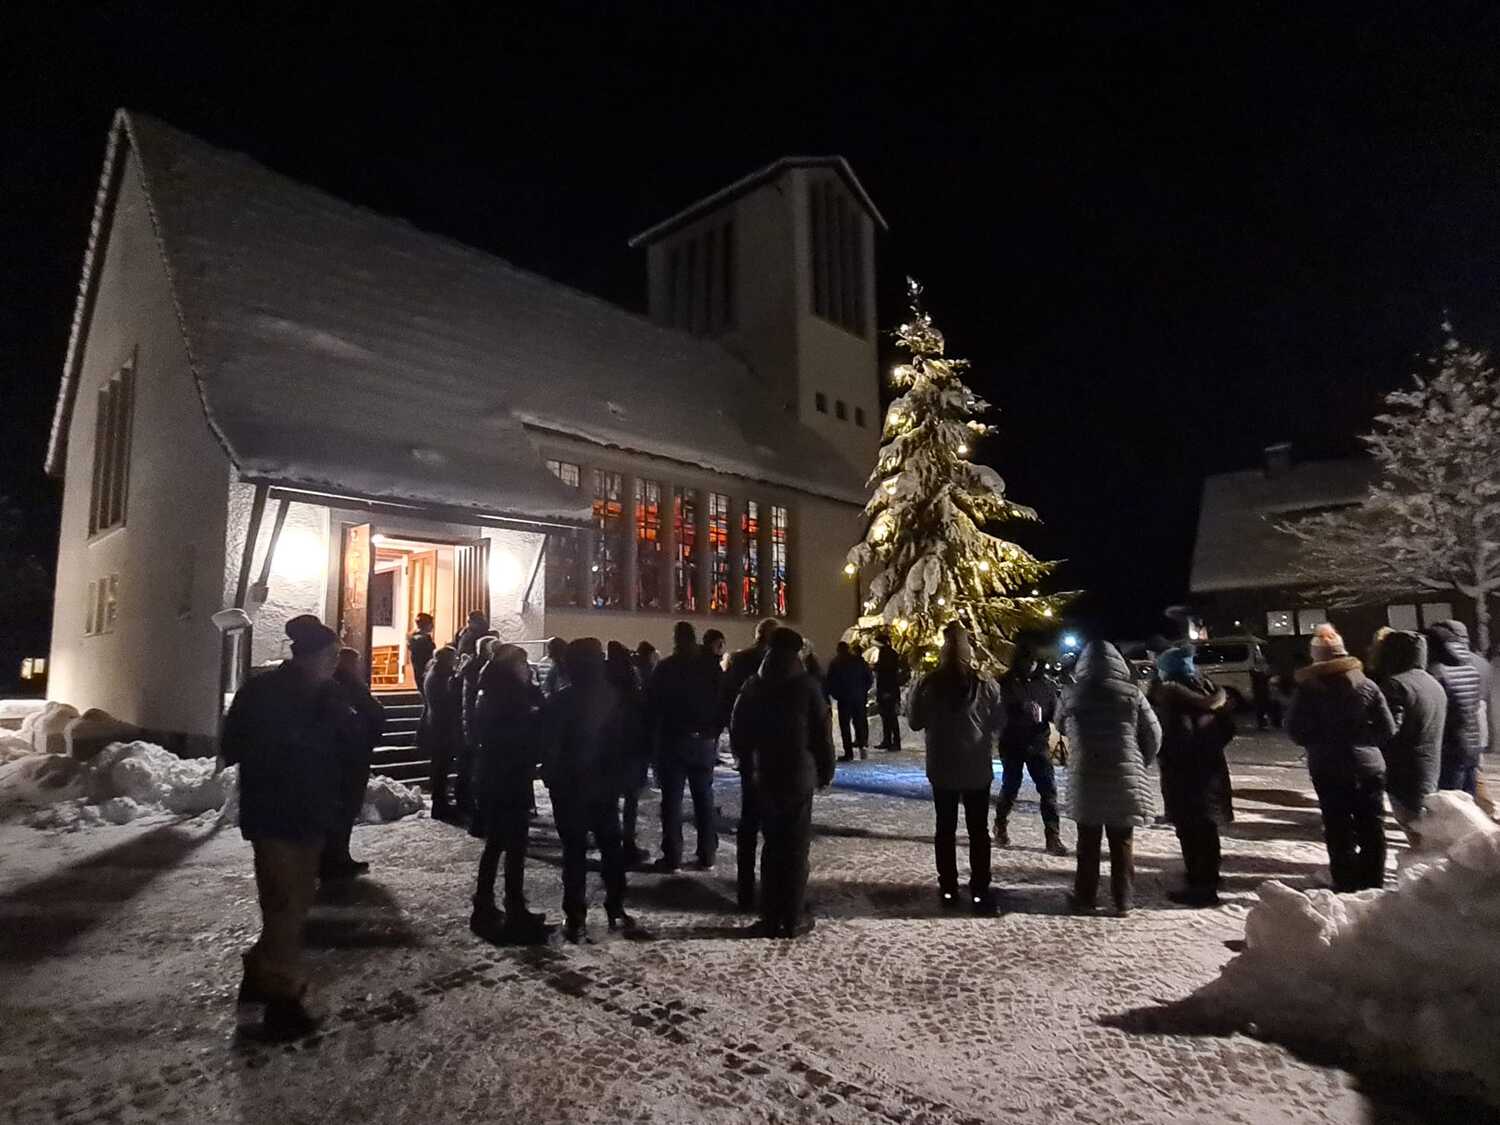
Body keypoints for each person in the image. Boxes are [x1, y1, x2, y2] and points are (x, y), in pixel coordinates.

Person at [222, 615, 345, 1038]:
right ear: (310, 655)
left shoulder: (328, 693)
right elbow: (234, 744)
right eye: (331, 654)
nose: (336, 662)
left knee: (295, 904)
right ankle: (282, 1001)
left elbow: (353, 735)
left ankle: (260, 975)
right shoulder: (263, 692)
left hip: (309, 811)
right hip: (275, 811)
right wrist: (289, 747)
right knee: (283, 904)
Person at [730, 627, 835, 936]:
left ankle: (770, 914)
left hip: (765, 774)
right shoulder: (806, 686)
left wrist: (746, 761)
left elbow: (738, 728)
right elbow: (822, 733)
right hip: (797, 774)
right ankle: (791, 916)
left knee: (772, 846)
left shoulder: (754, 685)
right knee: (795, 847)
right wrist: (825, 770)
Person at [1287, 624, 1396, 892]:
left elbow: (1294, 729)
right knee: (1372, 825)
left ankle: (1345, 880)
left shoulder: (1308, 689)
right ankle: (1372, 881)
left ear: (1317, 656)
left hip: (1328, 766)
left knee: (1338, 826)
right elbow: (1387, 728)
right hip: (1369, 766)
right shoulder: (1367, 684)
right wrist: (1363, 740)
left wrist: (1318, 741)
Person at [909, 623, 1004, 913]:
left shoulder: (929, 684)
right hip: (976, 768)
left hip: (942, 767)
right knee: (978, 831)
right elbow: (999, 722)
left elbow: (914, 721)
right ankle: (980, 889)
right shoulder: (985, 684)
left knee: (945, 829)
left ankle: (948, 888)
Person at [1061, 641, 1162, 916]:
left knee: (1088, 842)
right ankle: (1123, 900)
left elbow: (1060, 725)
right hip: (1123, 775)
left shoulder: (1072, 694)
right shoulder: (1132, 694)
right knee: (1122, 842)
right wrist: (1139, 760)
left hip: (1087, 776)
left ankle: (1085, 897)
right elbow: (1154, 734)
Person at [542, 638, 632, 943]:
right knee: (610, 848)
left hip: (572, 787)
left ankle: (576, 916)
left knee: (575, 853)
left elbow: (550, 747)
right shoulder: (614, 696)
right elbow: (624, 743)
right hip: (603, 786)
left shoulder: (560, 700)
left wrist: (552, 778)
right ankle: (615, 906)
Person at [470, 644, 550, 944]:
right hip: (507, 778)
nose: (527, 669)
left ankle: (487, 902)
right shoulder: (507, 699)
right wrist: (534, 706)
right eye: (523, 664)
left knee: (498, 843)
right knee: (512, 845)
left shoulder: (493, 692)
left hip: (497, 777)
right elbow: (523, 734)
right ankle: (513, 908)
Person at [1150, 645, 1234, 906]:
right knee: (1207, 828)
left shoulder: (1173, 700)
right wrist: (1210, 747)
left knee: (1191, 829)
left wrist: (1166, 754)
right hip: (1212, 769)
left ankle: (1201, 886)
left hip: (1185, 775)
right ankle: (1208, 877)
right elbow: (1229, 729)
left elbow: (1175, 739)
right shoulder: (1209, 692)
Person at [645, 621, 723, 871]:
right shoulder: (710, 667)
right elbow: (723, 699)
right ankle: (707, 853)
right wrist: (714, 730)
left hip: (674, 739)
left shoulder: (666, 667)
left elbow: (652, 703)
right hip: (704, 740)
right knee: (704, 798)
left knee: (672, 800)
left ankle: (673, 855)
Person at [722, 619, 779, 904]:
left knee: (749, 822)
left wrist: (739, 750)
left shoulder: (741, 663)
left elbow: (733, 709)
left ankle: (745, 888)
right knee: (777, 829)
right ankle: (774, 893)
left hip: (752, 755)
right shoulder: (795, 675)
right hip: (781, 758)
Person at [1372, 629, 1446, 846]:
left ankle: (1425, 865)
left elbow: (1388, 728)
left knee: (1416, 831)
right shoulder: (1433, 683)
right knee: (1423, 827)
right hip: (1429, 765)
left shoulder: (1396, 685)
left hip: (1403, 770)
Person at [994, 650, 1067, 856]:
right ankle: (1000, 825)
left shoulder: (1045, 685)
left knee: (1048, 790)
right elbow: (997, 711)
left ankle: (1052, 836)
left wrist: (1054, 717)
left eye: (1034, 661)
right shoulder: (1005, 683)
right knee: (1010, 787)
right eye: (1027, 660)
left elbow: (1054, 713)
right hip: (1012, 743)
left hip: (1038, 744)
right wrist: (1019, 709)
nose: (1031, 665)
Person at [321, 647, 385, 879]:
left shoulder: (342, 684)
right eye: (355, 662)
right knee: (344, 809)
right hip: (349, 755)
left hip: (352, 753)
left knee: (345, 809)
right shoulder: (344, 685)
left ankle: (337, 856)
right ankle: (334, 859)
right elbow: (364, 711)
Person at [1426, 620, 1488, 796]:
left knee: (1451, 798)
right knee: (1469, 797)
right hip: (1473, 741)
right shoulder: (1470, 669)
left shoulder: (1437, 673)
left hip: (1450, 745)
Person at [606, 640, 652, 866]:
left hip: (610, 749)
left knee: (610, 799)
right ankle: (628, 843)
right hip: (632, 749)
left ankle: (611, 842)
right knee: (631, 800)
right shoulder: (634, 687)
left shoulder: (604, 685)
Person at [458, 634, 498, 825]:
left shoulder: (477, 666)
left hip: (475, 723)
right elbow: (477, 700)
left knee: (473, 769)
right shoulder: (481, 669)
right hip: (477, 725)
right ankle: (475, 813)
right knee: (475, 771)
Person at [421, 646, 464, 821]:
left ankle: (440, 803)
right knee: (441, 768)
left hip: (437, 726)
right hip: (441, 727)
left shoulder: (434, 674)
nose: (456, 660)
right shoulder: (440, 677)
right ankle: (440, 805)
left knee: (440, 768)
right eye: (454, 658)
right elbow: (449, 699)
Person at [825, 641, 875, 761]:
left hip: (844, 698)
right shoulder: (859, 661)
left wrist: (836, 695)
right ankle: (862, 747)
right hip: (858, 698)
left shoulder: (836, 663)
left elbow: (830, 681)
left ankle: (848, 753)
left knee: (845, 725)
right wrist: (863, 691)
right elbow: (869, 678)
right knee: (859, 722)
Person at [873, 632, 909, 751]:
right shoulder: (890, 653)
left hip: (887, 689)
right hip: (890, 689)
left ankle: (892, 741)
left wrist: (886, 691)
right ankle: (889, 740)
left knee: (889, 717)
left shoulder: (886, 654)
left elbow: (886, 673)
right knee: (888, 716)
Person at [408, 612, 437, 696]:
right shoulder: (422, 639)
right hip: (425, 669)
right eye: (431, 624)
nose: (432, 626)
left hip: (420, 669)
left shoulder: (414, 637)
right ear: (425, 625)